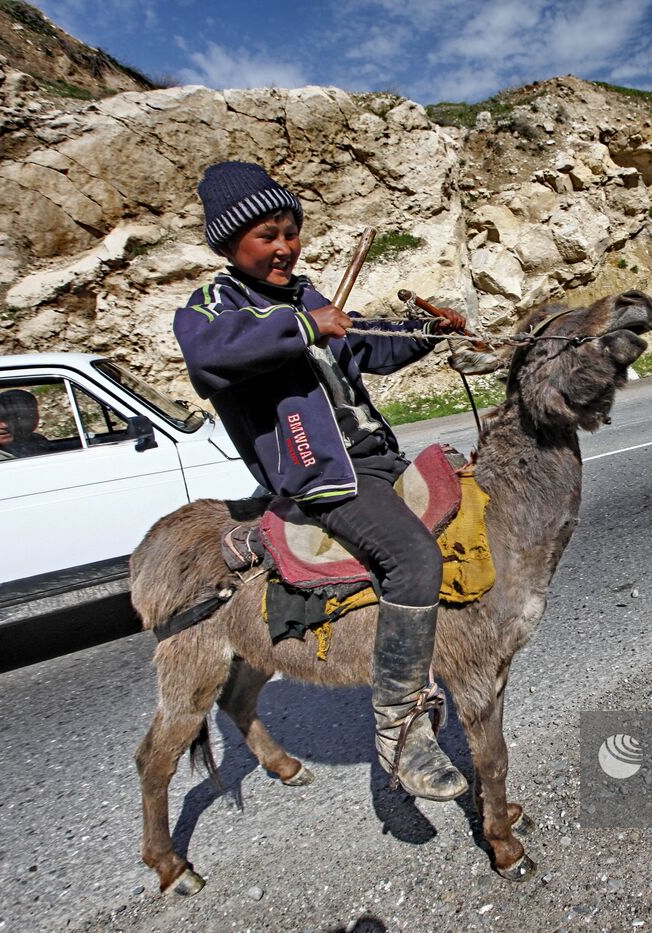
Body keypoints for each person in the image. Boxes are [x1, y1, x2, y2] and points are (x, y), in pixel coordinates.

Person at [175, 161, 471, 801]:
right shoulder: (211, 310)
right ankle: (400, 727)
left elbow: (367, 345)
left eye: (290, 231)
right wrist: (306, 327)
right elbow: (211, 358)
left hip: (375, 456)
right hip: (325, 478)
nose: (284, 246)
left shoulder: (305, 296)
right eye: (265, 234)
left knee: (475, 497)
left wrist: (426, 331)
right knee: (413, 558)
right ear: (229, 244)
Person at [0, 389, 53, 456]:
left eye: (33, 411)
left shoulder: (39, 439)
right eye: (24, 413)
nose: (32, 417)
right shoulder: (2, 448)